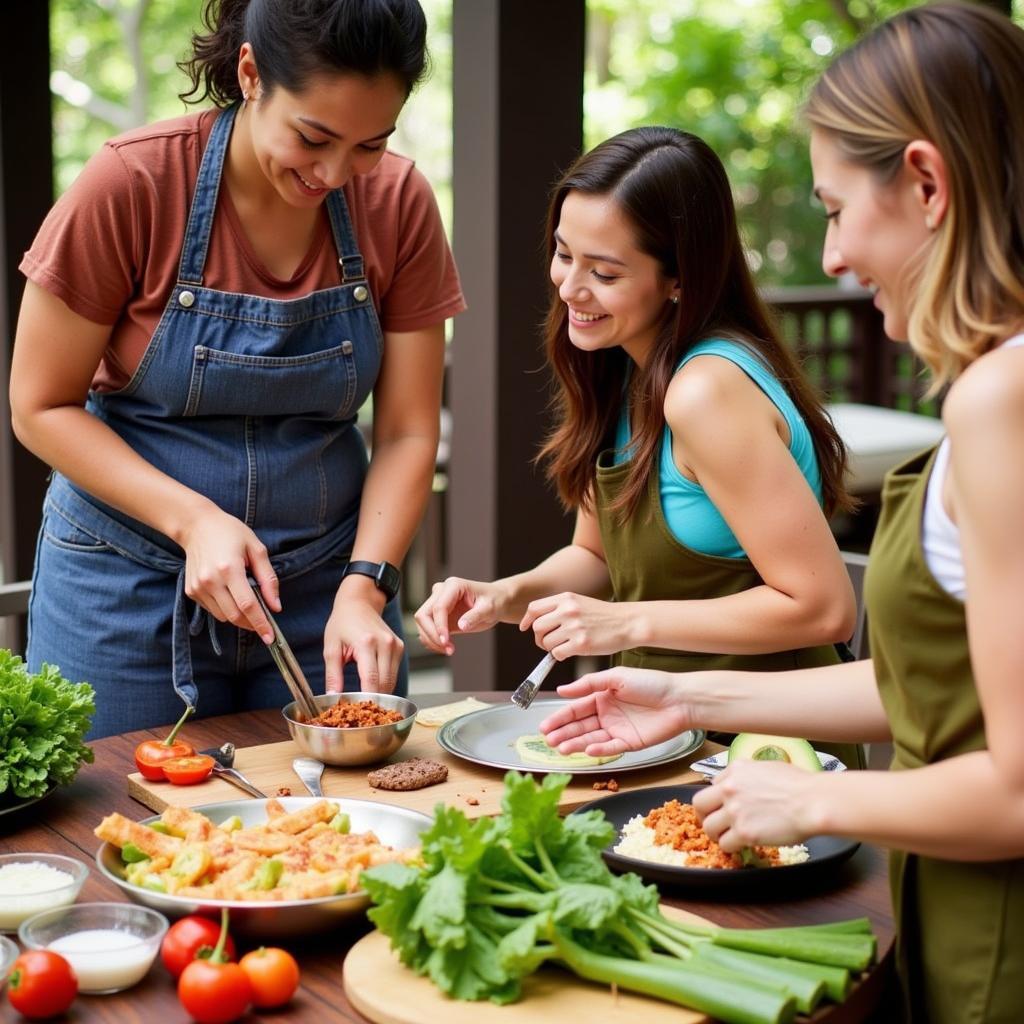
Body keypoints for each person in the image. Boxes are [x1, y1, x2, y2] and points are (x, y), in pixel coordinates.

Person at [540, 4, 1024, 1020]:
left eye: (837, 209)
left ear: (927, 185)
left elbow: (1014, 788)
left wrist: (808, 797)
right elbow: (926, 691)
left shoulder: (996, 402)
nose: (835, 255)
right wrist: (691, 701)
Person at [9, 0, 464, 738]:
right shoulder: (132, 183)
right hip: (125, 585)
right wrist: (192, 521)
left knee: (351, 834)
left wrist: (367, 586)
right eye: (313, 137)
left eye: (369, 145)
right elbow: (39, 406)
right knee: (123, 831)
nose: (334, 173)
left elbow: (410, 430)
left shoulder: (399, 202)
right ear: (250, 74)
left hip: (327, 586)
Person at [416, 125, 864, 769]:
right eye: (564, 254)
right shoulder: (623, 366)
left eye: (604, 271)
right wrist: (504, 596)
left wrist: (623, 623)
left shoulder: (705, 390)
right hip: (658, 730)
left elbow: (822, 609)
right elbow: (594, 555)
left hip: (768, 750)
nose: (570, 287)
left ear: (678, 279)